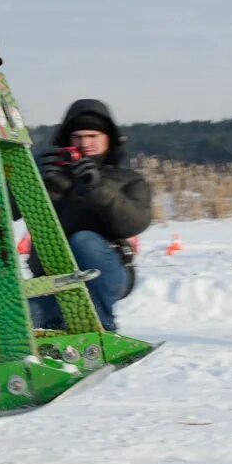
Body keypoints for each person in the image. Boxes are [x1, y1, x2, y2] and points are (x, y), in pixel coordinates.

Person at [27, 99, 152, 333]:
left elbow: (134, 222)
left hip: (109, 272)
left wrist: (97, 189)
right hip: (53, 278)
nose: (85, 143)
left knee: (83, 241)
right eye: (78, 137)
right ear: (67, 141)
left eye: (92, 136)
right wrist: (28, 175)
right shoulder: (49, 176)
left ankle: (101, 332)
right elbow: (8, 210)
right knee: (16, 324)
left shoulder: (128, 179)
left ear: (108, 140)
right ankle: (37, 364)